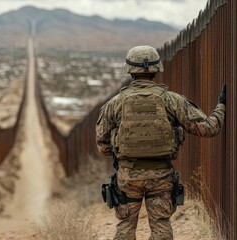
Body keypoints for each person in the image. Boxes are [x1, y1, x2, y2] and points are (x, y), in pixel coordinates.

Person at [96, 45, 226, 240]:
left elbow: (102, 145)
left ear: (130, 70)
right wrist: (221, 107)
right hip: (161, 175)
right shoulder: (172, 100)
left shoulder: (114, 103)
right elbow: (208, 128)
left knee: (125, 226)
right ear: (157, 69)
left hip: (128, 176)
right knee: (161, 226)